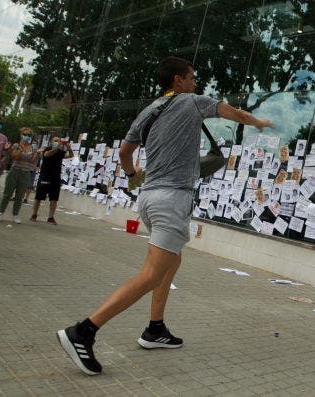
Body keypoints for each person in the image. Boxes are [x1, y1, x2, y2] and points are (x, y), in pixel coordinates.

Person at [56, 56, 274, 375]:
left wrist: (133, 175)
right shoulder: (191, 101)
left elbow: (124, 153)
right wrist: (258, 123)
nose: (195, 83)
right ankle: (83, 332)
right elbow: (234, 113)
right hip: (172, 199)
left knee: (171, 262)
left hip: (149, 198)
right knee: (151, 274)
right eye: (192, 77)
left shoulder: (148, 111)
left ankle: (155, 329)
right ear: (178, 81)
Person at [0, 128, 42, 223]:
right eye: (25, 134)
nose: (27, 136)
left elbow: (32, 160)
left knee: (20, 195)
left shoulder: (33, 148)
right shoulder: (16, 145)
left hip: (25, 172)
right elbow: (15, 157)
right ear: (21, 134)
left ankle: (15, 214)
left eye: (29, 135)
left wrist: (37, 153)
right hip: (15, 170)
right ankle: (0, 212)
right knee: (7, 193)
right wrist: (21, 149)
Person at [30, 134, 74, 224]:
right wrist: (55, 149)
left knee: (54, 198)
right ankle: (34, 214)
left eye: (58, 141)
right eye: (55, 141)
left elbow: (70, 155)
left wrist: (69, 148)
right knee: (39, 196)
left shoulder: (61, 151)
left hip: (55, 177)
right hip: (45, 176)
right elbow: (46, 155)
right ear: (51, 141)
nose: (57, 142)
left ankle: (50, 217)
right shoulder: (46, 148)